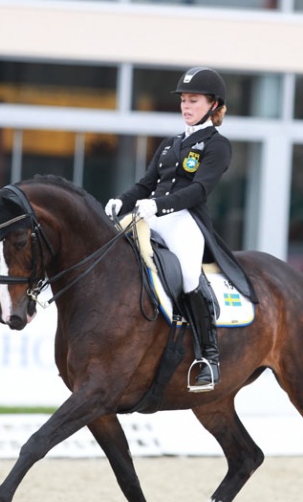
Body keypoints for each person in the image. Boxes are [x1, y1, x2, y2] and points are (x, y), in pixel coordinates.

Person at [105, 66, 257, 391]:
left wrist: (160, 206)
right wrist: (121, 201)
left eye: (194, 101)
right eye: (184, 101)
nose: (186, 107)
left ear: (214, 105)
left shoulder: (218, 145)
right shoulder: (170, 143)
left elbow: (200, 190)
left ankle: (209, 357)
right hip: (150, 214)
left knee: (189, 276)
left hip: (185, 220)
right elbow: (146, 184)